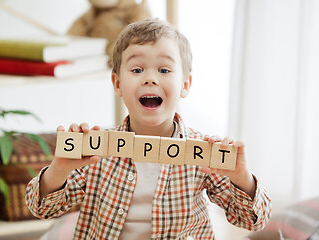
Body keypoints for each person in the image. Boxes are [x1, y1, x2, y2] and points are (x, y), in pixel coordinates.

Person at [26, 18, 271, 239]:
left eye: (164, 70)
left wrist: (242, 179)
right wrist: (59, 168)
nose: (150, 78)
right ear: (117, 83)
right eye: (136, 70)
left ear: (185, 84)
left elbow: (250, 220)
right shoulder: (96, 150)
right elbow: (42, 209)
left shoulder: (203, 152)